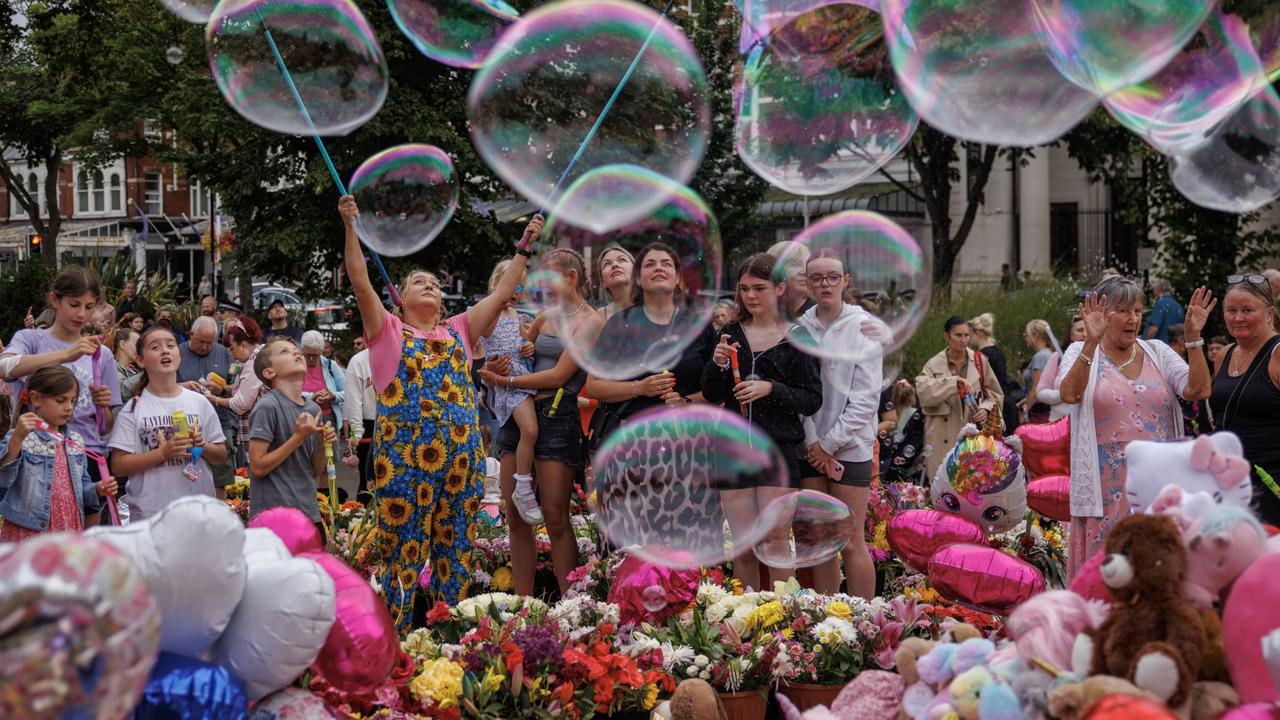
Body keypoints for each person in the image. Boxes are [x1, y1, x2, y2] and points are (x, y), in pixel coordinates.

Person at [341, 194, 541, 628]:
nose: (429, 285)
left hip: (460, 459)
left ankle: (449, 636)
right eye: (418, 282)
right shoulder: (388, 331)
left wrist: (524, 245)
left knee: (457, 552)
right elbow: (360, 284)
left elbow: (504, 289)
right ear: (401, 299)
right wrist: (352, 229)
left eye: (434, 282)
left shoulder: (459, 331)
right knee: (402, 552)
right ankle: (398, 637)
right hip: (402, 462)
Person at [1057, 276, 1213, 575]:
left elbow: (1199, 390)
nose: (1133, 319)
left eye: (1139, 312)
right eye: (1124, 311)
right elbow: (1069, 394)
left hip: (1158, 485)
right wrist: (1091, 341)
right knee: (1109, 574)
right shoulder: (1080, 352)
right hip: (1105, 490)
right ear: (1101, 315)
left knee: (1157, 568)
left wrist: (1193, 339)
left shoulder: (1157, 351)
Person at [478, 248, 598, 596]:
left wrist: (505, 382)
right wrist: (492, 371)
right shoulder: (545, 315)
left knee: (555, 515)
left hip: (557, 416)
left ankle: (571, 603)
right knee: (515, 513)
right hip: (521, 411)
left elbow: (559, 375)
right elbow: (513, 354)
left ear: (571, 277)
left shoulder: (591, 321)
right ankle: (523, 602)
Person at [703, 253, 822, 591]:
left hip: (778, 450)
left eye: (759, 288)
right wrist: (717, 364)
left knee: (774, 542)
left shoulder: (799, 337)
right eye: (743, 289)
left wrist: (771, 388)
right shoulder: (730, 333)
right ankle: (748, 622)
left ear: (780, 288)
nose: (750, 296)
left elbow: (813, 399)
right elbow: (711, 391)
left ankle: (783, 621)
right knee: (743, 545)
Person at [1, 267, 121, 525]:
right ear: (55, 300)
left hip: (87, 457)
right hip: (37, 455)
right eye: (74, 304)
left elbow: (105, 427)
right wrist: (67, 355)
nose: (81, 314)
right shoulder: (32, 339)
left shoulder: (102, 354)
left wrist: (104, 408)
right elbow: (5, 368)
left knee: (88, 550)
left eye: (89, 307)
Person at [794, 249, 879, 599]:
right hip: (810, 445)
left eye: (832, 277)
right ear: (808, 284)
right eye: (816, 278)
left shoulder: (864, 327)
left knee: (851, 540)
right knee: (821, 541)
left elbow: (866, 398)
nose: (824, 284)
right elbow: (800, 392)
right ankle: (828, 620)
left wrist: (828, 445)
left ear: (846, 280)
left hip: (850, 447)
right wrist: (814, 443)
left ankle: (864, 620)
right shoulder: (800, 328)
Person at [108, 325, 227, 521]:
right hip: (152, 514)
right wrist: (163, 453)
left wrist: (202, 445)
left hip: (198, 511)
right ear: (140, 360)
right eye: (155, 347)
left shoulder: (199, 402)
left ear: (179, 355)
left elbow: (220, 456)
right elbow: (119, 466)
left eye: (171, 345)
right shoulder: (133, 408)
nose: (165, 350)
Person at [0, 366, 118, 540]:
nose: (69, 407)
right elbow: (3, 481)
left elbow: (82, 490)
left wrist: (98, 489)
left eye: (73, 400)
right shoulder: (20, 437)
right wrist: (17, 439)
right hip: (30, 534)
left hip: (69, 529)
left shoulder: (75, 440)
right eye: (61, 400)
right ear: (36, 399)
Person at [1209, 274, 1280, 526]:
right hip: (1226, 485)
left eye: (1247, 310)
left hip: (1271, 487)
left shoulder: (1277, 353)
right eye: (1231, 310)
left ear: (1269, 314)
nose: (1238, 317)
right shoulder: (1225, 354)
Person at [247, 336, 337, 533]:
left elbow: (314, 470)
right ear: (269, 372)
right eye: (285, 352)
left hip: (308, 513)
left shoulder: (313, 409)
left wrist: (322, 443)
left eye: (296, 350)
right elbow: (258, 467)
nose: (296, 352)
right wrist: (298, 437)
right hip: (274, 518)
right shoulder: (268, 406)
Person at [477, 259, 542, 525]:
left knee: (530, 432)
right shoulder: (487, 313)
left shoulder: (523, 318)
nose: (515, 292)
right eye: (510, 285)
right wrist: (497, 301)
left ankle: (524, 486)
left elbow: (529, 347)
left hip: (523, 379)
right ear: (496, 284)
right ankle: (523, 489)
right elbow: (486, 332)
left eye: (519, 287)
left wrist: (530, 347)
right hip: (507, 383)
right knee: (530, 430)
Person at [916, 316, 1004, 479]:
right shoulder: (933, 364)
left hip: (973, 441)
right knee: (942, 489)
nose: (963, 340)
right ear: (947, 336)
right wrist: (952, 383)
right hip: (941, 439)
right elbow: (923, 392)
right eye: (958, 335)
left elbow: (995, 394)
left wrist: (986, 408)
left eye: (966, 335)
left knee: (973, 488)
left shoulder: (979, 361)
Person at [178, 316, 237, 497]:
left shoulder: (224, 353)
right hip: (182, 424)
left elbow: (237, 388)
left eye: (209, 343)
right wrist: (183, 386)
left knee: (221, 476)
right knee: (184, 476)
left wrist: (222, 389)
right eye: (200, 342)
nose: (204, 347)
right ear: (190, 335)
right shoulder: (176, 353)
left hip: (219, 422)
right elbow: (158, 386)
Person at [224, 321, 266, 469]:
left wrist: (215, 399)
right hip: (261, 427)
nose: (230, 353)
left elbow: (241, 403)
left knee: (258, 468)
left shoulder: (254, 362)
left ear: (243, 345)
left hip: (259, 429)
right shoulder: (260, 356)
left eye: (232, 348)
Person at [968, 313, 1019, 432]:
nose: (968, 339)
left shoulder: (982, 356)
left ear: (978, 333)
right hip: (1007, 402)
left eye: (969, 334)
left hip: (996, 405)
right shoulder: (997, 351)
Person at [342, 344, 376, 502]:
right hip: (368, 425)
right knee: (367, 480)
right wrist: (356, 432)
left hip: (399, 423)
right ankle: (363, 523)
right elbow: (353, 401)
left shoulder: (403, 353)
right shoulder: (359, 361)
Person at [1036, 314, 1086, 420]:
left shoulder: (1103, 358)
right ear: (1070, 335)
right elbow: (1041, 392)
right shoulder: (1057, 357)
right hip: (1060, 424)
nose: (1085, 334)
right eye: (1080, 330)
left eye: (1088, 329)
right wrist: (1064, 394)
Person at [299, 330, 345, 432]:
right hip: (301, 418)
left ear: (321, 351)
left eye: (315, 355)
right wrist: (312, 396)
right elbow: (289, 393)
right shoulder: (295, 365)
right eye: (307, 355)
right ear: (302, 350)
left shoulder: (331, 366)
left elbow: (347, 392)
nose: (311, 359)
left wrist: (333, 396)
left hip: (328, 418)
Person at [768, 240, 815, 318]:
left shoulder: (820, 313)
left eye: (808, 264)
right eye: (796, 264)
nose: (804, 271)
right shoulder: (761, 311)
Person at [1020, 319, 1056, 420]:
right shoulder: (1049, 353)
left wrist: (1024, 412)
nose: (1025, 338)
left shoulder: (1040, 357)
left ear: (1036, 335)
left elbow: (1036, 390)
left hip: (1039, 411)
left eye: (1026, 334)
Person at [595, 243, 635, 321]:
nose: (615, 265)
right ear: (603, 282)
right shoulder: (598, 317)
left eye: (622, 260)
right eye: (607, 264)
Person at [1143, 278, 1183, 343]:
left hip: (1159, 348)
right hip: (1174, 348)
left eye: (1154, 290)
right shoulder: (1178, 306)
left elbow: (1154, 329)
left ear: (1158, 290)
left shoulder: (1160, 304)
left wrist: (1145, 344)